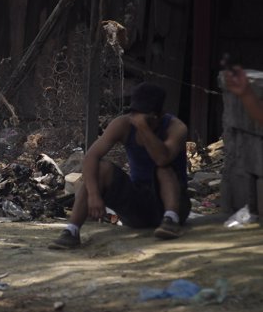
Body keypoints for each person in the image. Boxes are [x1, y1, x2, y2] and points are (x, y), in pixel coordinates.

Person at [49, 82, 191, 249]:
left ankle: (170, 220)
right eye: (136, 115)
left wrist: (144, 128)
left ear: (159, 115)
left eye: (145, 117)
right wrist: (94, 195)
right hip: (139, 206)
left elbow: (162, 159)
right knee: (101, 168)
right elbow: (91, 157)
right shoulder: (123, 125)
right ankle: (71, 231)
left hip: (173, 203)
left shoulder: (176, 128)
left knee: (163, 169)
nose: (137, 120)